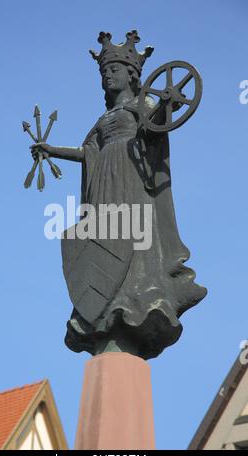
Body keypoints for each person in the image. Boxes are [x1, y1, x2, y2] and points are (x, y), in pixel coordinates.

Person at [31, 31, 207, 360]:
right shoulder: (103, 119)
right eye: (104, 72)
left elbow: (158, 125)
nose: (108, 76)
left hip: (131, 177)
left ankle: (135, 297)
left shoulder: (144, 104)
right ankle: (105, 298)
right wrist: (51, 150)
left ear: (131, 74)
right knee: (105, 238)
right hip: (103, 186)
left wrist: (168, 101)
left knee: (133, 239)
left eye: (114, 70)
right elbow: (88, 151)